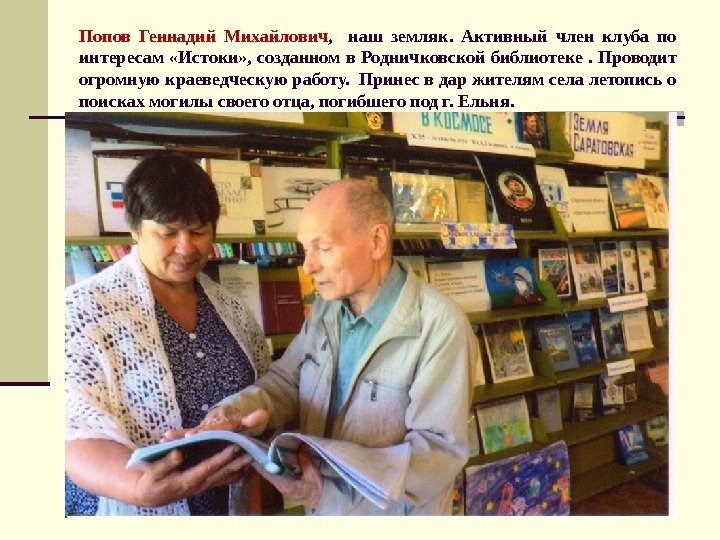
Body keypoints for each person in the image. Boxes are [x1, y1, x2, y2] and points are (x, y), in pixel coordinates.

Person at [172, 180, 479, 515]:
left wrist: (325, 495)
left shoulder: (440, 326)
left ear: (377, 241)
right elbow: (287, 382)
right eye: (305, 249)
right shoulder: (326, 309)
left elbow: (435, 456)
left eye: (324, 247)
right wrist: (232, 413)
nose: (308, 266)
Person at [65, 151, 271, 516]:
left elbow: (264, 389)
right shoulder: (82, 311)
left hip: (226, 508)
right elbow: (68, 431)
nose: (186, 247)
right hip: (128, 508)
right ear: (134, 229)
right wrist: (139, 488)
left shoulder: (233, 310)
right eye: (167, 232)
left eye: (199, 231)